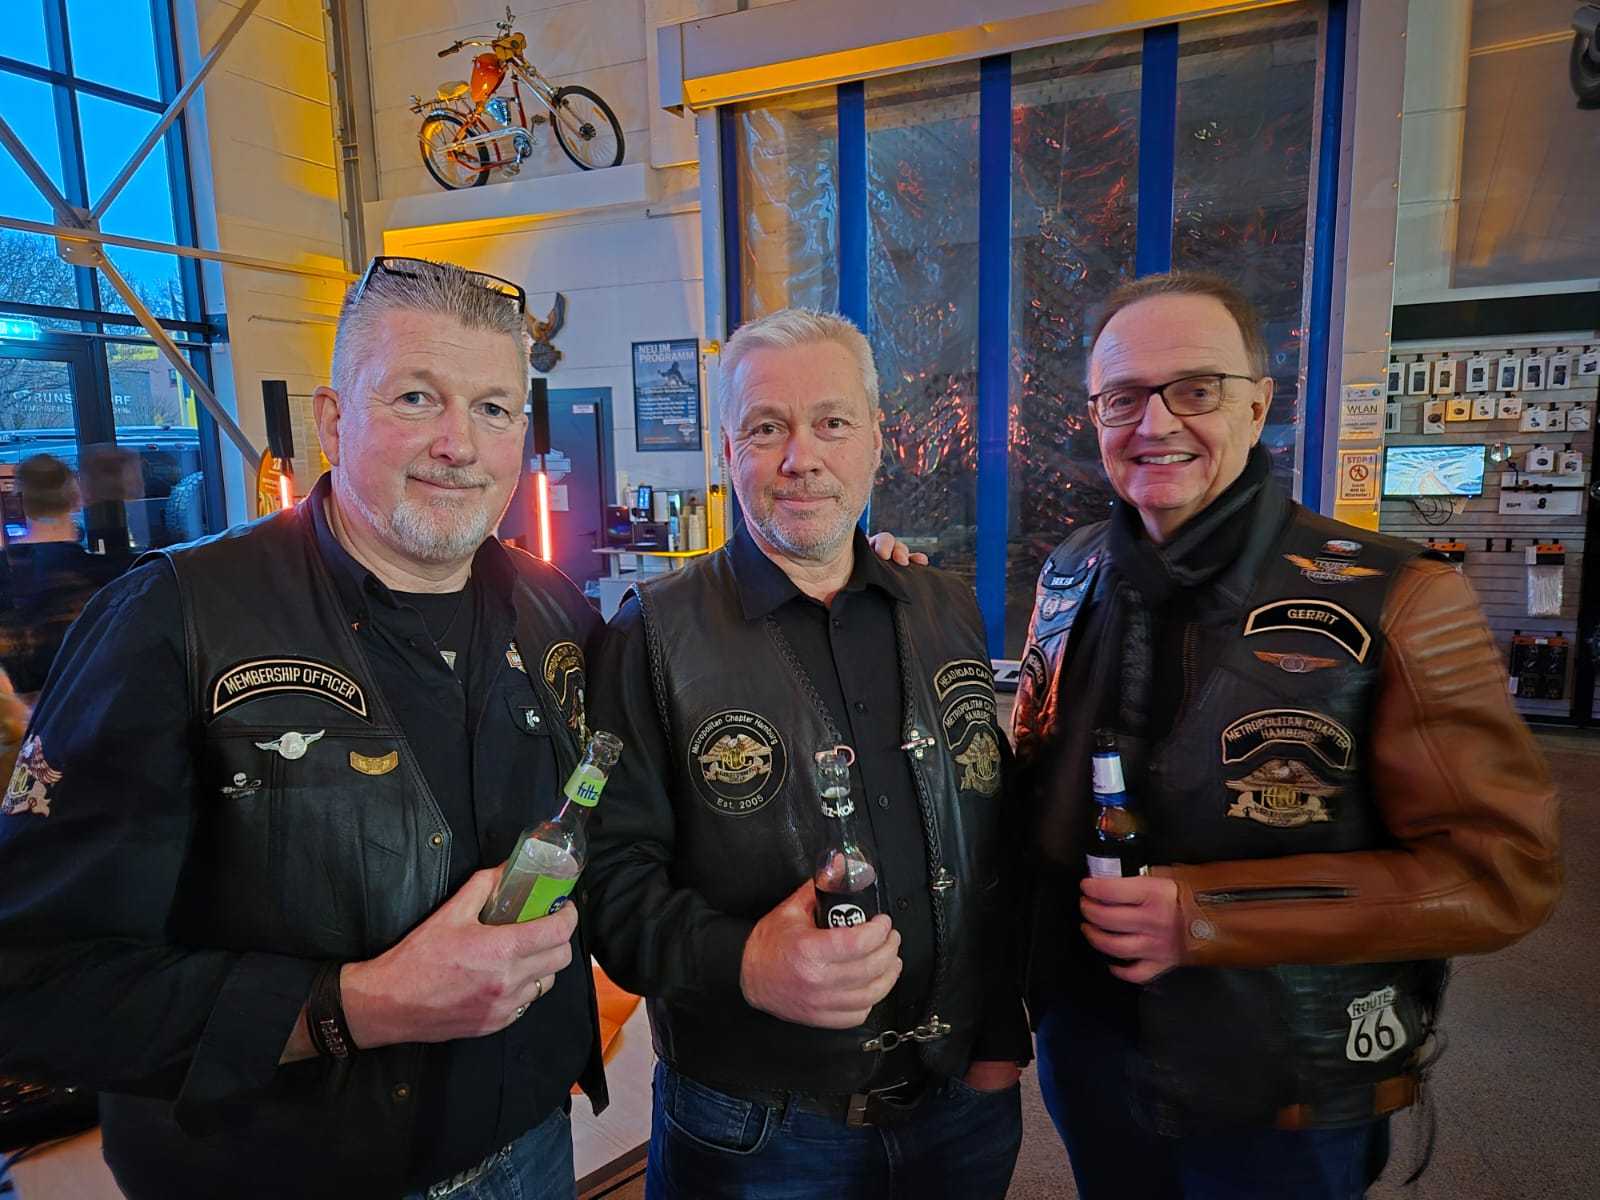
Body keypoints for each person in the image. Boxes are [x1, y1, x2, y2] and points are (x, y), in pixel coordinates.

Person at [0, 257, 609, 1200]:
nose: (459, 443)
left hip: (530, 1147)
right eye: (416, 397)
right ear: (332, 421)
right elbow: (33, 985)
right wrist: (355, 1006)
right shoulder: (174, 622)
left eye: (494, 409)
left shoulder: (554, 609)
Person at [1010, 271, 1562, 1199]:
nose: (1155, 423)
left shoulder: (1402, 598)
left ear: (1258, 405)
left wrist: (1208, 915)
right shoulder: (1071, 573)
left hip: (1287, 1076)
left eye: (1196, 389)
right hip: (1090, 1043)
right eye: (1123, 397)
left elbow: (1501, 873)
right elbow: (1032, 795)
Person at [583, 308, 1030, 1200]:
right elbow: (605, 882)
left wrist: (999, 1036)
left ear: (876, 440)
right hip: (755, 1127)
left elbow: (993, 834)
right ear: (727, 450)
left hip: (959, 1106)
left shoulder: (944, 608)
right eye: (766, 428)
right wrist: (744, 961)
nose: (802, 457)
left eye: (831, 422)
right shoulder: (652, 636)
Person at [0, 454, 125, 696]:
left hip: (20, 713)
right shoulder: (108, 579)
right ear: (77, 499)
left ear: (18, 500)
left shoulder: (9, 574)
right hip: (86, 705)